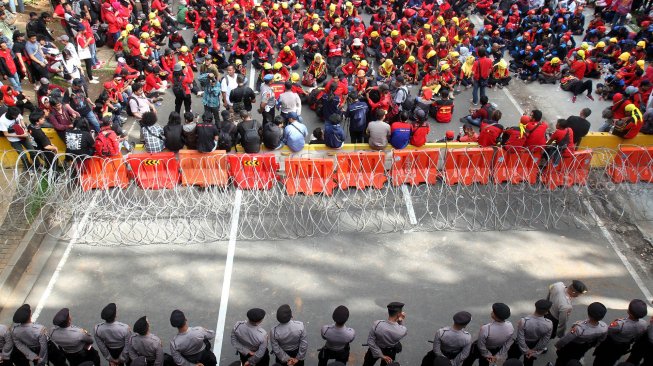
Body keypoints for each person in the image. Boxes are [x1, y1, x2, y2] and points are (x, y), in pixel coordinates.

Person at [592, 299, 648, 366]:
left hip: (610, 344)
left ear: (629, 311)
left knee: (600, 359)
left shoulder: (619, 324)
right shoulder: (643, 323)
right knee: (613, 359)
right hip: (624, 345)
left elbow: (608, 330)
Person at [506, 300, 553, 366]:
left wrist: (526, 350)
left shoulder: (524, 321)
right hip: (535, 343)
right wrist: (533, 351)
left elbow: (520, 337)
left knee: (512, 357)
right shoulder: (549, 324)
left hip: (520, 343)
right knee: (529, 361)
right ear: (546, 312)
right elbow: (545, 340)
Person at [362, 302, 407, 366]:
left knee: (367, 363)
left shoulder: (377, 324)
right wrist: (400, 320)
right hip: (390, 351)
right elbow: (401, 328)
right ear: (398, 315)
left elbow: (370, 341)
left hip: (375, 348)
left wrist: (381, 355)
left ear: (389, 312)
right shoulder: (402, 331)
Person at [0, 107, 35, 171]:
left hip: (23, 136)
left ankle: (36, 164)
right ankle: (28, 167)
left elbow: (21, 120)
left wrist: (24, 127)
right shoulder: (2, 121)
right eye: (15, 116)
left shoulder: (17, 114)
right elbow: (6, 134)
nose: (17, 116)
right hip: (14, 140)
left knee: (32, 151)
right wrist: (19, 135)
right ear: (10, 115)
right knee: (23, 155)